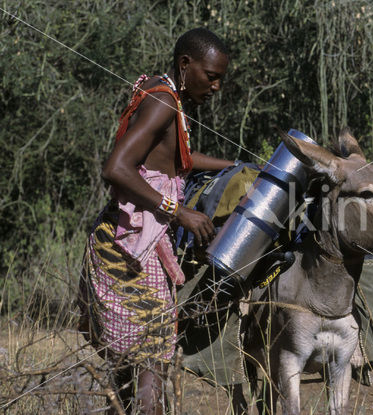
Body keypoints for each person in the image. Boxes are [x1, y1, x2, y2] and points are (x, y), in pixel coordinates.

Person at [77, 28, 235, 414]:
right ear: (186, 65)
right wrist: (178, 210)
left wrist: (235, 167)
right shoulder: (163, 101)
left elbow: (176, 158)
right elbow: (116, 168)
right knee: (150, 364)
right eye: (210, 76)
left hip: (133, 243)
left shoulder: (167, 96)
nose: (215, 87)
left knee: (133, 371)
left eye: (220, 79)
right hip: (128, 249)